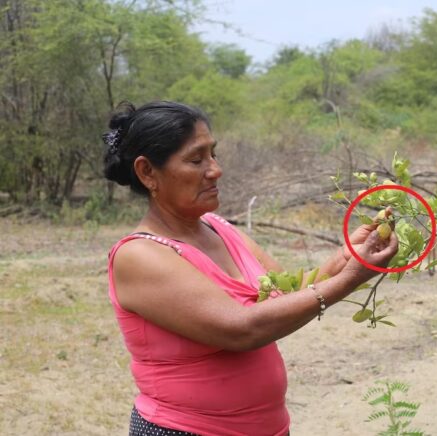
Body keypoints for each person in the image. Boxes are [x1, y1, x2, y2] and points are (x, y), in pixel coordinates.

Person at [103, 101, 398, 436]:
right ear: (147, 172)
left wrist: (348, 259)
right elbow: (241, 329)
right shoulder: (140, 255)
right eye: (196, 159)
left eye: (213, 154)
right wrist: (348, 281)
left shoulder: (218, 228)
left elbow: (287, 292)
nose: (215, 170)